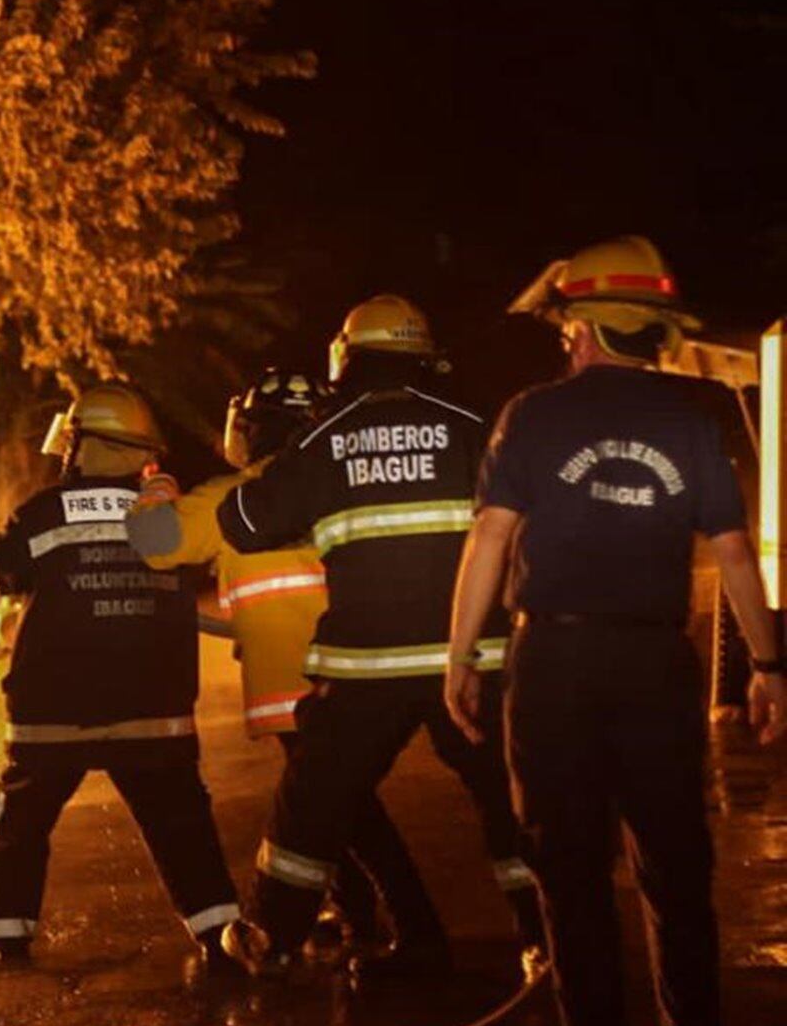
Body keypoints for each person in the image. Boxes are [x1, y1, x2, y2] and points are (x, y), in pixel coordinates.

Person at [446, 235, 787, 1026]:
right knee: (677, 874)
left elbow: (488, 538)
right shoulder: (693, 420)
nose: (563, 340)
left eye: (565, 327)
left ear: (585, 328)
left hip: (553, 662)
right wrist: (768, 661)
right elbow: (731, 551)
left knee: (570, 876)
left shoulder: (531, 414)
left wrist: (459, 654)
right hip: (654, 667)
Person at [211, 295, 545, 980]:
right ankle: (548, 934)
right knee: (507, 796)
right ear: (426, 357)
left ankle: (271, 933)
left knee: (317, 795)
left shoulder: (324, 435)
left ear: (348, 358)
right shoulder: (476, 424)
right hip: (472, 658)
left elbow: (247, 521)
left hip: (365, 666)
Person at [126, 367, 446, 958]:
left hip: (295, 686)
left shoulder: (231, 497)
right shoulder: (339, 480)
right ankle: (359, 918)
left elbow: (153, 543)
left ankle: (413, 931)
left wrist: (155, 489)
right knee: (339, 813)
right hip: (352, 673)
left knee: (341, 816)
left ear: (250, 429)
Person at [0, 382, 241, 982]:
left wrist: (0, 549)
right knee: (183, 828)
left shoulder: (39, 511)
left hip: (52, 714)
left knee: (20, 828)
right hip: (153, 712)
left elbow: (9, 575)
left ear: (83, 444)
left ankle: (2, 942)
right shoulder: (167, 518)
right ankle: (220, 932)